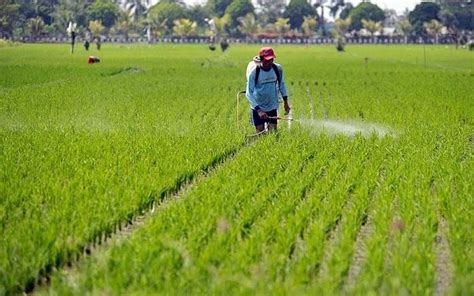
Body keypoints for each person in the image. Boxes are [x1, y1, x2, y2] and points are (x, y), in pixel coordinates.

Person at [246, 47, 290, 133]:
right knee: (260, 133)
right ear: (261, 59)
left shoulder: (277, 69)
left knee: (273, 133)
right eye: (267, 60)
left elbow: (282, 84)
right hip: (258, 106)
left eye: (271, 60)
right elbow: (249, 93)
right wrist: (259, 110)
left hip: (272, 106)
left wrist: (286, 102)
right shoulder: (254, 72)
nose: (269, 62)